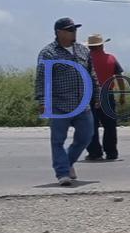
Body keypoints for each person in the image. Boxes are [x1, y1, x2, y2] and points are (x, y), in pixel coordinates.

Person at [35, 17, 100, 186]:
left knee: (86, 136)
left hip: (82, 103)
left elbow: (92, 74)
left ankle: (67, 162)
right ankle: (62, 173)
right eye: (70, 30)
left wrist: (98, 95)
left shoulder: (83, 51)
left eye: (75, 29)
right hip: (59, 104)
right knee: (57, 140)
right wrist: (42, 101)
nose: (74, 32)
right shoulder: (48, 53)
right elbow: (42, 79)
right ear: (59, 32)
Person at [85, 33, 126, 161]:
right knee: (110, 125)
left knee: (91, 125)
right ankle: (111, 151)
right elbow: (119, 78)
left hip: (90, 95)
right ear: (102, 45)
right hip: (107, 94)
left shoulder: (85, 60)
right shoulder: (111, 59)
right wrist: (122, 95)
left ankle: (95, 152)